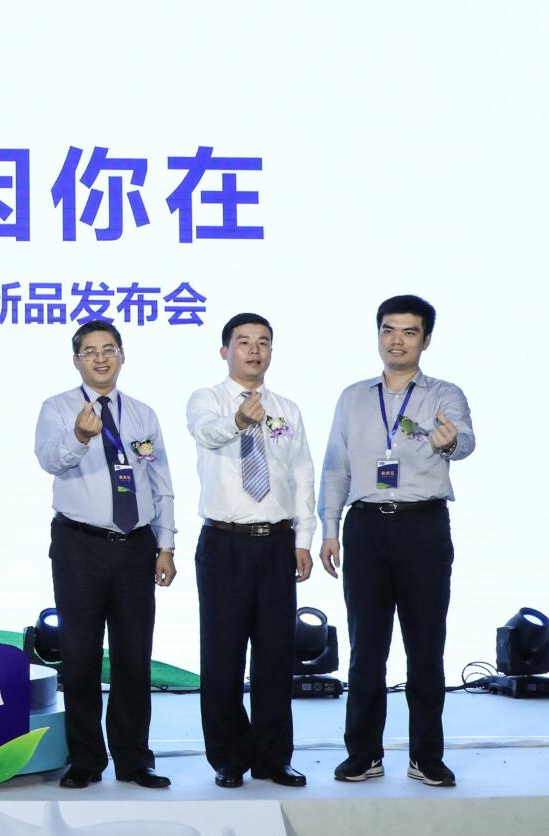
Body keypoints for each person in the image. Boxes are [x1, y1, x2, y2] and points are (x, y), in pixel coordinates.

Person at [319, 295, 474, 788]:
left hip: (422, 527)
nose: (397, 340)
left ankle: (426, 757)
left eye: (409, 331)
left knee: (426, 647)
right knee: (366, 649)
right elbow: (336, 467)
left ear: (426, 340)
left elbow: (465, 441)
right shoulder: (352, 397)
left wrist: (450, 442)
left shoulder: (444, 394)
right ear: (378, 335)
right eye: (388, 330)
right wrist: (329, 529)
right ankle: (363, 754)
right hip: (365, 527)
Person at [34, 320, 177, 790]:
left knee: (134, 658)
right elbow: (49, 461)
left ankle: (134, 761)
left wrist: (166, 544)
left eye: (109, 349)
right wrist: (78, 436)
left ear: (122, 355)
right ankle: (85, 760)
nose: (100, 358)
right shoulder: (57, 408)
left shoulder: (142, 414)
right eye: (90, 351)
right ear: (76, 360)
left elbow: (160, 482)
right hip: (79, 546)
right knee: (80, 658)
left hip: (136, 547)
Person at [186, 313, 315, 789]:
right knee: (222, 656)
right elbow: (207, 432)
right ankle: (229, 757)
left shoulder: (287, 409)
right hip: (225, 543)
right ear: (225, 352)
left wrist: (303, 539)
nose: (254, 350)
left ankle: (273, 757)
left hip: (277, 542)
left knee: (276, 657)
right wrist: (240, 420)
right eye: (243, 342)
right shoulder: (207, 400)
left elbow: (302, 474)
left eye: (263, 342)